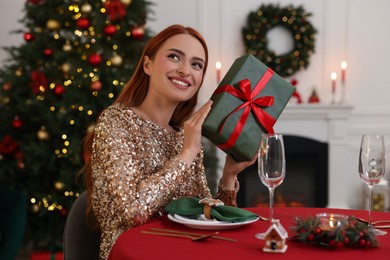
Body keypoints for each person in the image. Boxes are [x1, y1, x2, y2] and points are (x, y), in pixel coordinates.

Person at [82, 24, 256, 260]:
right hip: (131, 253)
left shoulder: (183, 133)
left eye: (196, 65)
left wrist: (229, 177)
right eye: (175, 57)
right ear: (147, 65)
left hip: (183, 251)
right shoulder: (117, 122)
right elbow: (133, 211)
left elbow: (203, 212)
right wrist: (186, 154)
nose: (186, 70)